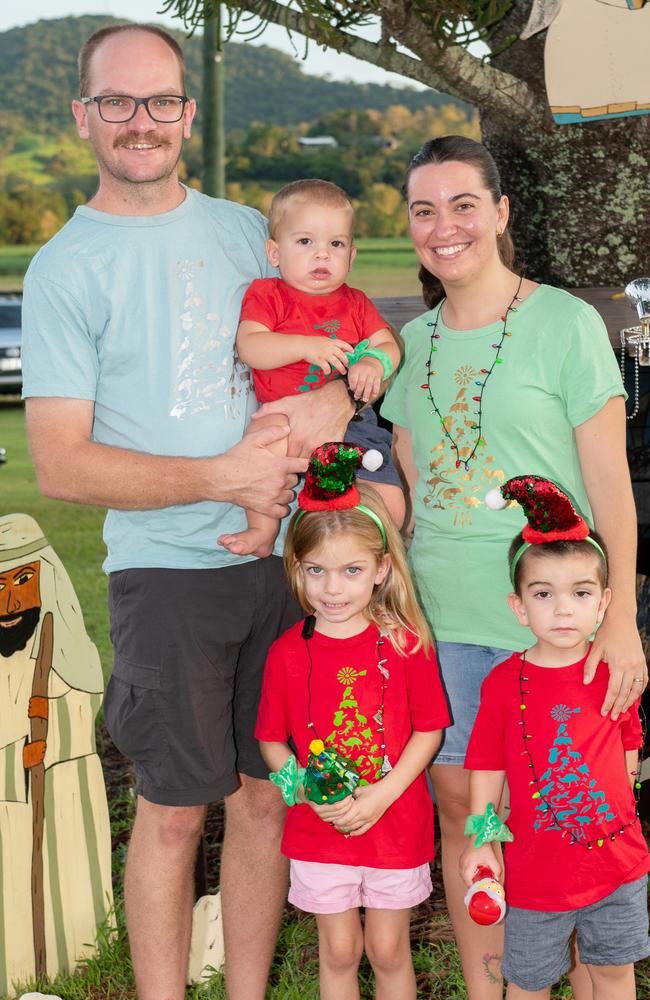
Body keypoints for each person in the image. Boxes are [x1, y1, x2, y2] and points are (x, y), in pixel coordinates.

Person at [20, 23, 361, 1000]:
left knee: (265, 798)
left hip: (289, 566)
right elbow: (60, 463)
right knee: (173, 810)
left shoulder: (241, 231)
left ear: (187, 112)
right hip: (166, 576)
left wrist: (333, 401)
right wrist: (223, 476)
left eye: (161, 100)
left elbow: (340, 340)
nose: (141, 121)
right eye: (118, 102)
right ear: (84, 114)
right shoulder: (64, 269)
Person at [380, 134, 647, 999]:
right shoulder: (411, 344)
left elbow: (612, 489)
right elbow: (411, 494)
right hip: (447, 629)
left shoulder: (564, 323)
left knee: (566, 827)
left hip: (559, 631)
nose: (443, 226)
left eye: (462, 205)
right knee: (471, 826)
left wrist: (620, 621)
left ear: (499, 213)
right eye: (424, 210)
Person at [255, 442, 450, 1000]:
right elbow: (271, 742)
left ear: (381, 568)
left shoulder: (405, 644)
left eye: (351, 570)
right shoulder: (286, 652)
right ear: (297, 567)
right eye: (316, 570)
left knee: (388, 950)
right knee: (338, 951)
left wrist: (383, 795)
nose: (332, 588)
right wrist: (307, 792)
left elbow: (429, 730)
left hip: (394, 821)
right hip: (320, 828)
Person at [459, 476, 650, 999]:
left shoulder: (613, 672)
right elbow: (487, 764)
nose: (563, 608)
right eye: (544, 594)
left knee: (613, 972)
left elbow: (629, 750)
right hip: (535, 873)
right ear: (519, 606)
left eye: (580, 593)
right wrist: (482, 839)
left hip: (616, 866)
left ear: (604, 602)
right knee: (528, 979)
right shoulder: (504, 683)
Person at [217, 179, 403, 558]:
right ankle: (263, 531)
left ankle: (379, 543)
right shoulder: (268, 295)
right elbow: (251, 346)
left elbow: (388, 344)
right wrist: (305, 345)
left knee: (390, 500)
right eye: (305, 242)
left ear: (351, 256)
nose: (322, 255)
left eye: (335, 244)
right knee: (263, 460)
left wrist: (373, 361)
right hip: (282, 417)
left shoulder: (354, 302)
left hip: (351, 424)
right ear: (274, 251)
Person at [0, 513, 112, 994]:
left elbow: (84, 708)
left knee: (64, 889)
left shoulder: (61, 654)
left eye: (23, 580)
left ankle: (76, 967)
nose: (8, 600)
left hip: (62, 801)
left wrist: (51, 738)